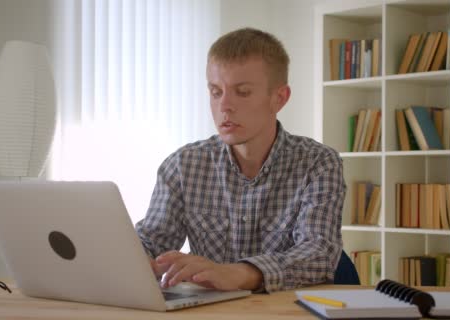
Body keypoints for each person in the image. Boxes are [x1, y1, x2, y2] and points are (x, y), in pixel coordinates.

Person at [135, 27, 346, 293]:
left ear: (279, 98)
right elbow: (151, 242)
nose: (224, 106)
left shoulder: (318, 163)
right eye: (215, 92)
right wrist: (136, 260)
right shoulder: (182, 165)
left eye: (242, 92)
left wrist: (240, 273)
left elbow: (319, 254)